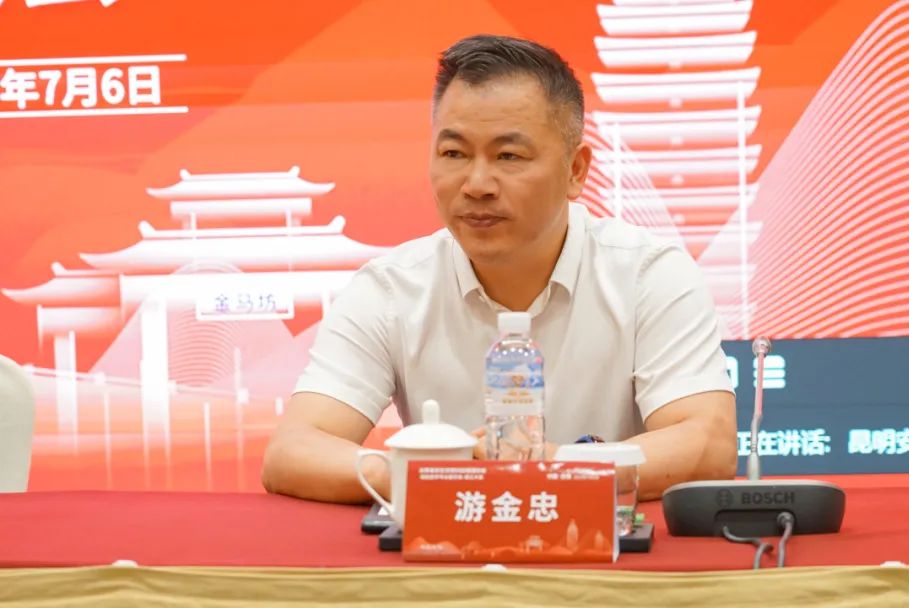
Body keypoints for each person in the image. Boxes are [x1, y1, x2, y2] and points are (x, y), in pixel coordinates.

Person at [262, 34, 736, 504]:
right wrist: (426, 475)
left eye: (508, 156)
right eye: (454, 153)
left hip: (602, 550)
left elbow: (707, 445)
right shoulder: (390, 288)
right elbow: (294, 450)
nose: (477, 184)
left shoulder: (649, 275)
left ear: (575, 170)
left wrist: (542, 469)